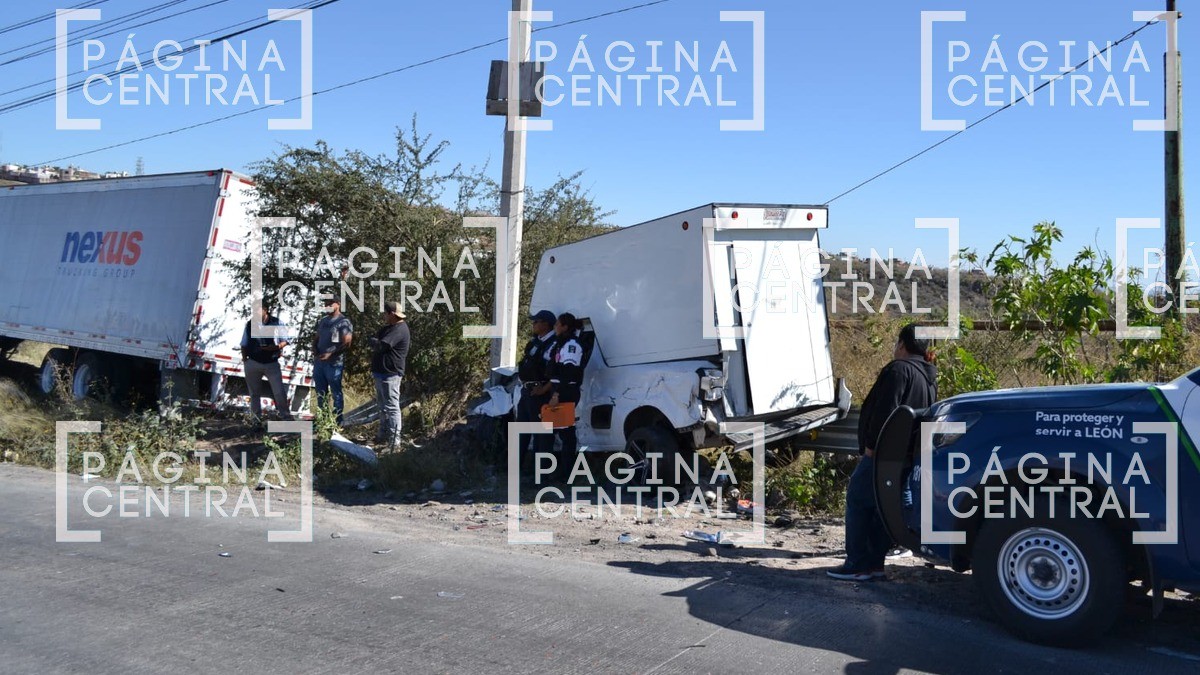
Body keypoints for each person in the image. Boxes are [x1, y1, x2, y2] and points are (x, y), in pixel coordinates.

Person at [828, 323, 937, 582]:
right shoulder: (927, 377)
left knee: (858, 501)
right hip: (907, 457)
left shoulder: (899, 370)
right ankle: (874, 564)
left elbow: (884, 413)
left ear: (902, 344)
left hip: (882, 455)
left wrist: (871, 448)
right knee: (882, 509)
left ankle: (857, 564)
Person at [544, 313, 585, 472]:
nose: (554, 327)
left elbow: (568, 373)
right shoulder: (560, 343)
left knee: (566, 433)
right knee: (554, 431)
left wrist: (556, 395)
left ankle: (567, 472)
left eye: (557, 324)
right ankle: (556, 470)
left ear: (565, 327)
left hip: (565, 392)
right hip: (558, 389)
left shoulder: (571, 346)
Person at [516, 310, 558, 464]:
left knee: (542, 435)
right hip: (527, 391)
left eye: (536, 322)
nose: (533, 325)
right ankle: (515, 469)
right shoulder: (535, 342)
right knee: (521, 430)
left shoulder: (553, 344)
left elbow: (556, 374)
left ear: (546, 324)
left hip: (541, 393)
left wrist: (544, 389)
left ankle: (540, 474)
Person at [239, 305, 293, 424]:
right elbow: (244, 342)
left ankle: (286, 417)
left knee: (279, 391)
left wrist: (276, 347)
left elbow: (285, 340)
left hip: (271, 363)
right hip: (253, 362)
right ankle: (255, 419)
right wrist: (245, 359)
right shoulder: (250, 324)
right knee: (254, 393)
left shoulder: (276, 322)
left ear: (265, 310)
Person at [368, 301, 410, 450]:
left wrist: (373, 341)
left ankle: (394, 441)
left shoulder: (399, 330)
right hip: (381, 372)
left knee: (392, 407)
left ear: (391, 314)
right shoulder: (388, 328)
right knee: (382, 406)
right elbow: (375, 338)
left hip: (390, 374)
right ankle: (383, 434)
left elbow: (380, 345)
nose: (384, 316)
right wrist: (373, 340)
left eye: (385, 313)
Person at [312, 297, 353, 425]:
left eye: (330, 304)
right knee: (320, 392)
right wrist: (314, 348)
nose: (327, 306)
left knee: (336, 392)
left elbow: (347, 342)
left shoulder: (343, 322)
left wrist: (331, 354)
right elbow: (317, 337)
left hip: (333, 363)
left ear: (338, 304)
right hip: (319, 362)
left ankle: (337, 420)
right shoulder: (323, 321)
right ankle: (323, 419)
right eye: (325, 304)